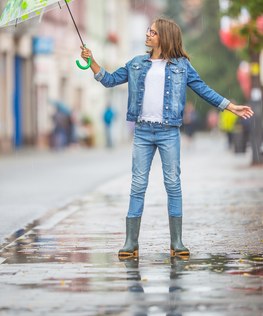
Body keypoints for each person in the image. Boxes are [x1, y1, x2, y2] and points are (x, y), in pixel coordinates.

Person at [80, 17, 254, 258]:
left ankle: (177, 242)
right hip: (142, 131)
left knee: (173, 184)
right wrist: (91, 61)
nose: (147, 34)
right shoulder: (136, 63)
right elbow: (109, 81)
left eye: (152, 31)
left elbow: (203, 90)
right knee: (138, 185)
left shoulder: (182, 66)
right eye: (148, 30)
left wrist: (230, 106)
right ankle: (131, 242)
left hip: (168, 132)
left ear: (164, 36)